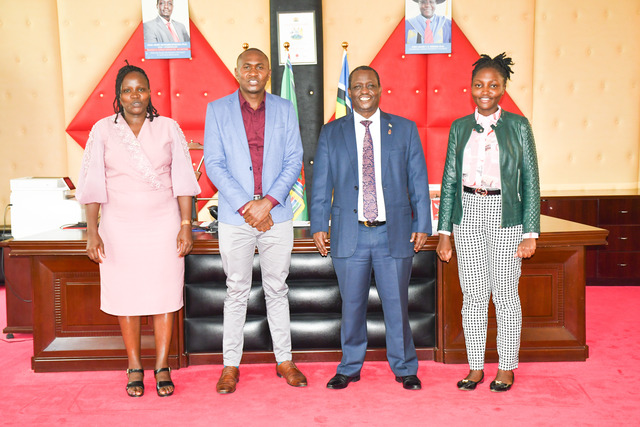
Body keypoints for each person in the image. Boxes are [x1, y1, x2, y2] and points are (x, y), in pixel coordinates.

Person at [76, 63, 201, 397]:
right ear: (118, 96)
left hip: (163, 225)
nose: (135, 96)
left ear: (150, 93)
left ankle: (162, 365)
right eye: (127, 90)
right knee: (125, 297)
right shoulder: (102, 130)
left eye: (141, 89)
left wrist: (186, 225)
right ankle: (134, 365)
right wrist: (92, 231)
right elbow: (93, 184)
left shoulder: (168, 127)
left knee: (164, 296)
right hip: (118, 227)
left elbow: (183, 182)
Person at [310, 66, 431, 391]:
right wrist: (319, 224)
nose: (364, 91)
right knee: (351, 306)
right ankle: (349, 367)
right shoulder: (331, 132)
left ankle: (405, 367)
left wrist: (422, 222)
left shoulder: (404, 129)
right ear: (349, 92)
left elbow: (417, 179)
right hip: (350, 233)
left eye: (370, 85)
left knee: (397, 305)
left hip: (394, 232)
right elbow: (321, 183)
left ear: (379, 89)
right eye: (357, 86)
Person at [203, 47, 306, 394]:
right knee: (236, 291)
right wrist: (249, 206)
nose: (253, 71)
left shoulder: (285, 108)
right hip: (236, 217)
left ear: (268, 74)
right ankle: (230, 365)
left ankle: (285, 360)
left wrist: (268, 203)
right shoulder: (217, 110)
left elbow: (294, 159)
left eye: (260, 66)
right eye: (246, 66)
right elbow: (214, 164)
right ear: (237, 72)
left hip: (277, 214)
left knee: (277, 289)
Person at [436, 53, 540, 392]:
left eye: (493, 85)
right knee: (474, 295)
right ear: (471, 88)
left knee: (505, 294)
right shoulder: (459, 127)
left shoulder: (519, 126)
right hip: (467, 213)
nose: (485, 91)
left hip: (505, 214)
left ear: (503, 88)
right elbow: (450, 180)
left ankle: (507, 367)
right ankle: (476, 367)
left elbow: (531, 181)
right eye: (479, 85)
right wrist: (444, 232)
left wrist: (530, 232)